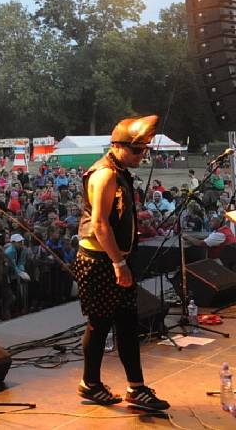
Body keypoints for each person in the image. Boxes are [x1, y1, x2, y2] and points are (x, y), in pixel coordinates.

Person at [74, 115, 170, 410]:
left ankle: (135, 388)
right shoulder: (105, 174)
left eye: (144, 151)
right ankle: (90, 384)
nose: (142, 156)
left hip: (113, 257)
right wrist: (119, 264)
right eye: (137, 151)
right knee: (100, 324)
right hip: (101, 261)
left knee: (127, 324)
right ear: (118, 146)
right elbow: (100, 225)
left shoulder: (119, 169)